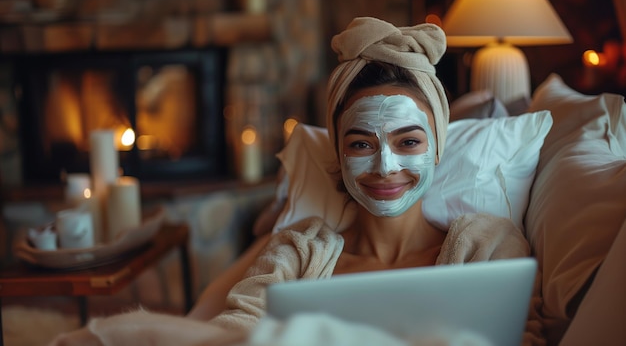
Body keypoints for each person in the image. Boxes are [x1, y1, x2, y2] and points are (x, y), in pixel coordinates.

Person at [49, 17, 541, 346]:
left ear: (438, 145)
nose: (386, 167)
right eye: (361, 144)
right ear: (338, 153)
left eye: (409, 142)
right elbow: (234, 329)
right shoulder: (298, 251)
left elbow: (530, 336)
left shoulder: (490, 247)